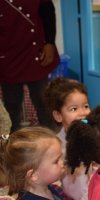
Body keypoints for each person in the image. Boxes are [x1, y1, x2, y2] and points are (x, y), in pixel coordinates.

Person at [0, 0, 60, 132]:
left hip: (35, 51)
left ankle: (51, 137)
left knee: (43, 100)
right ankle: (13, 141)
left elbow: (48, 12)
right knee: (12, 103)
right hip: (6, 54)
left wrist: (49, 42)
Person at [44, 77, 91, 200]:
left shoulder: (93, 138)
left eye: (86, 106)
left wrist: (87, 199)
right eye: (74, 109)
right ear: (58, 116)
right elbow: (54, 177)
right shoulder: (55, 144)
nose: (83, 112)